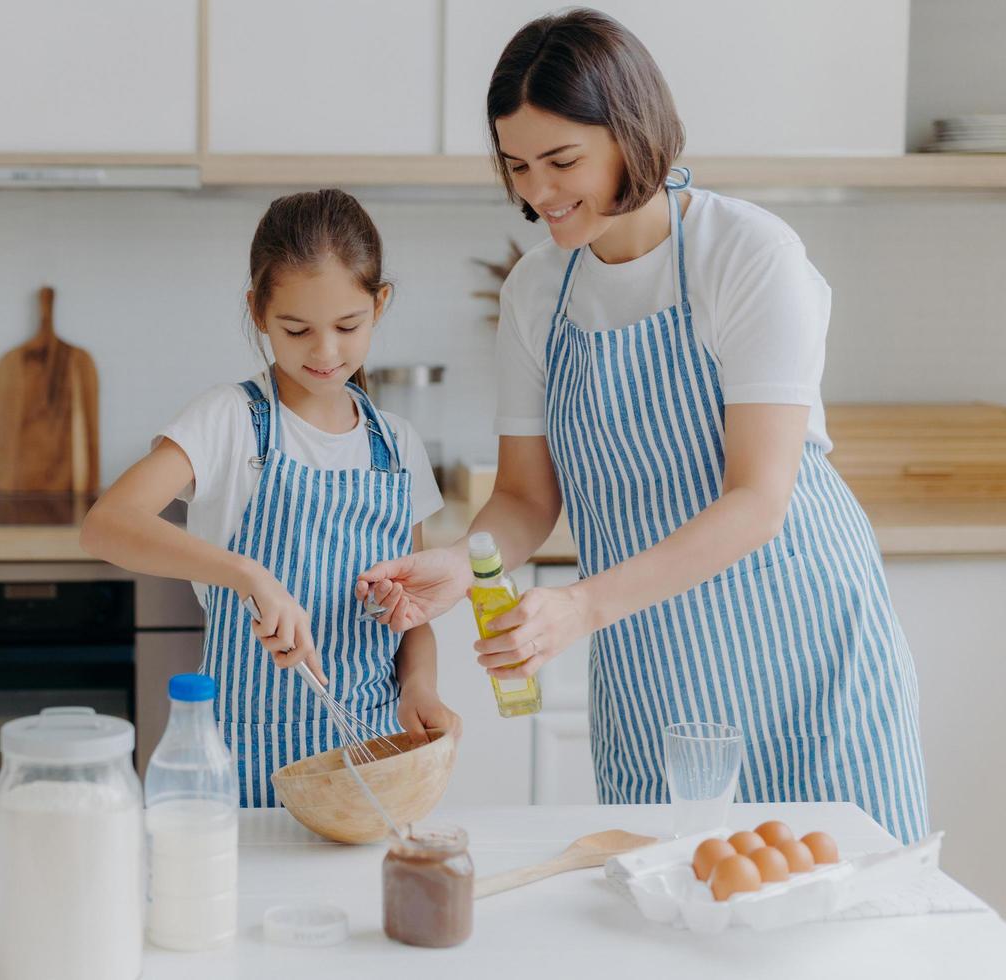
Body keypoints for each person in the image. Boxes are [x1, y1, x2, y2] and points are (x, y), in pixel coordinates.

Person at [357, 9, 927, 842]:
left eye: (561, 161)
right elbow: (522, 496)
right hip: (656, 661)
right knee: (667, 914)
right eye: (516, 165)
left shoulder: (749, 255)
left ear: (631, 134)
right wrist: (457, 562)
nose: (536, 193)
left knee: (838, 922)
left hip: (805, 649)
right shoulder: (535, 293)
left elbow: (757, 499)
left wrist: (580, 607)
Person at [82, 189, 459, 807]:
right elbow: (106, 525)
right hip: (244, 770)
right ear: (258, 311)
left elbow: (411, 615)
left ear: (379, 305)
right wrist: (246, 573)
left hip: (366, 762)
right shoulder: (228, 420)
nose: (325, 351)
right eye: (297, 328)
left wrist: (421, 686)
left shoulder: (397, 446)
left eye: (347, 326)